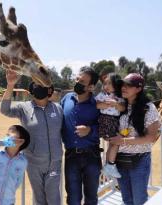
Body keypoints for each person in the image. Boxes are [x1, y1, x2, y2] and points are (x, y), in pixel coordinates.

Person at [0, 70, 63, 205]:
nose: (38, 86)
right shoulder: (24, 108)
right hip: (34, 164)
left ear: (49, 89)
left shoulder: (58, 109)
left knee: (54, 199)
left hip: (54, 164)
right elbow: (4, 110)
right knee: (39, 199)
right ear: (31, 88)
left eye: (42, 84)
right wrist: (10, 85)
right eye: (35, 83)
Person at [108, 73, 161, 205]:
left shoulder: (148, 108)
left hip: (140, 160)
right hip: (120, 160)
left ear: (138, 88)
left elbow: (151, 137)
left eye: (129, 85)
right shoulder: (120, 107)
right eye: (123, 84)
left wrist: (123, 141)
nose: (124, 87)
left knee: (139, 200)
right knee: (127, 200)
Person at [61, 66, 101, 205]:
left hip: (92, 156)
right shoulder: (66, 99)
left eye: (82, 81)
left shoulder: (97, 104)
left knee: (91, 198)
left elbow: (106, 128)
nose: (77, 82)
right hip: (71, 156)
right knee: (72, 198)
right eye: (77, 79)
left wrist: (90, 130)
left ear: (91, 87)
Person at [95, 73, 125, 179]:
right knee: (116, 143)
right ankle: (110, 165)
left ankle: (108, 165)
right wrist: (107, 104)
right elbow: (97, 105)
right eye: (105, 83)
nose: (106, 86)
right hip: (106, 121)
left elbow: (122, 108)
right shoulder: (102, 95)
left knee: (113, 144)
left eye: (109, 83)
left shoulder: (119, 97)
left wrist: (116, 104)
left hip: (114, 122)